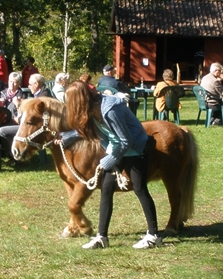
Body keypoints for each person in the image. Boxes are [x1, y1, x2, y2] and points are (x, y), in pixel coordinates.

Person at [64, 81, 161, 250]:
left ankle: (154, 236)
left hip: (136, 149)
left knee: (139, 189)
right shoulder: (90, 111)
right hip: (117, 150)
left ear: (79, 100)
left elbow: (125, 140)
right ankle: (102, 237)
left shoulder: (110, 110)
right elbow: (96, 135)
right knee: (106, 189)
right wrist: (64, 139)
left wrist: (107, 161)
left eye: (70, 101)